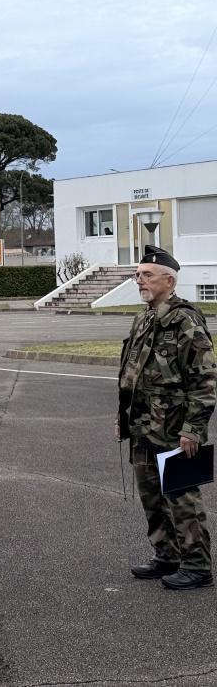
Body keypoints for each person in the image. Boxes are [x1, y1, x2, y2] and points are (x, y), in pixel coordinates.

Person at [118, 245, 217, 590]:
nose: (139, 280)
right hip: (143, 423)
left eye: (147, 274)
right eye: (137, 274)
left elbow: (205, 380)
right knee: (151, 495)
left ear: (169, 280)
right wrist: (123, 415)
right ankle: (167, 555)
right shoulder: (144, 317)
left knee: (182, 495)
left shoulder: (185, 320)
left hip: (175, 427)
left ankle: (197, 565)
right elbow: (131, 370)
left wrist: (194, 429)